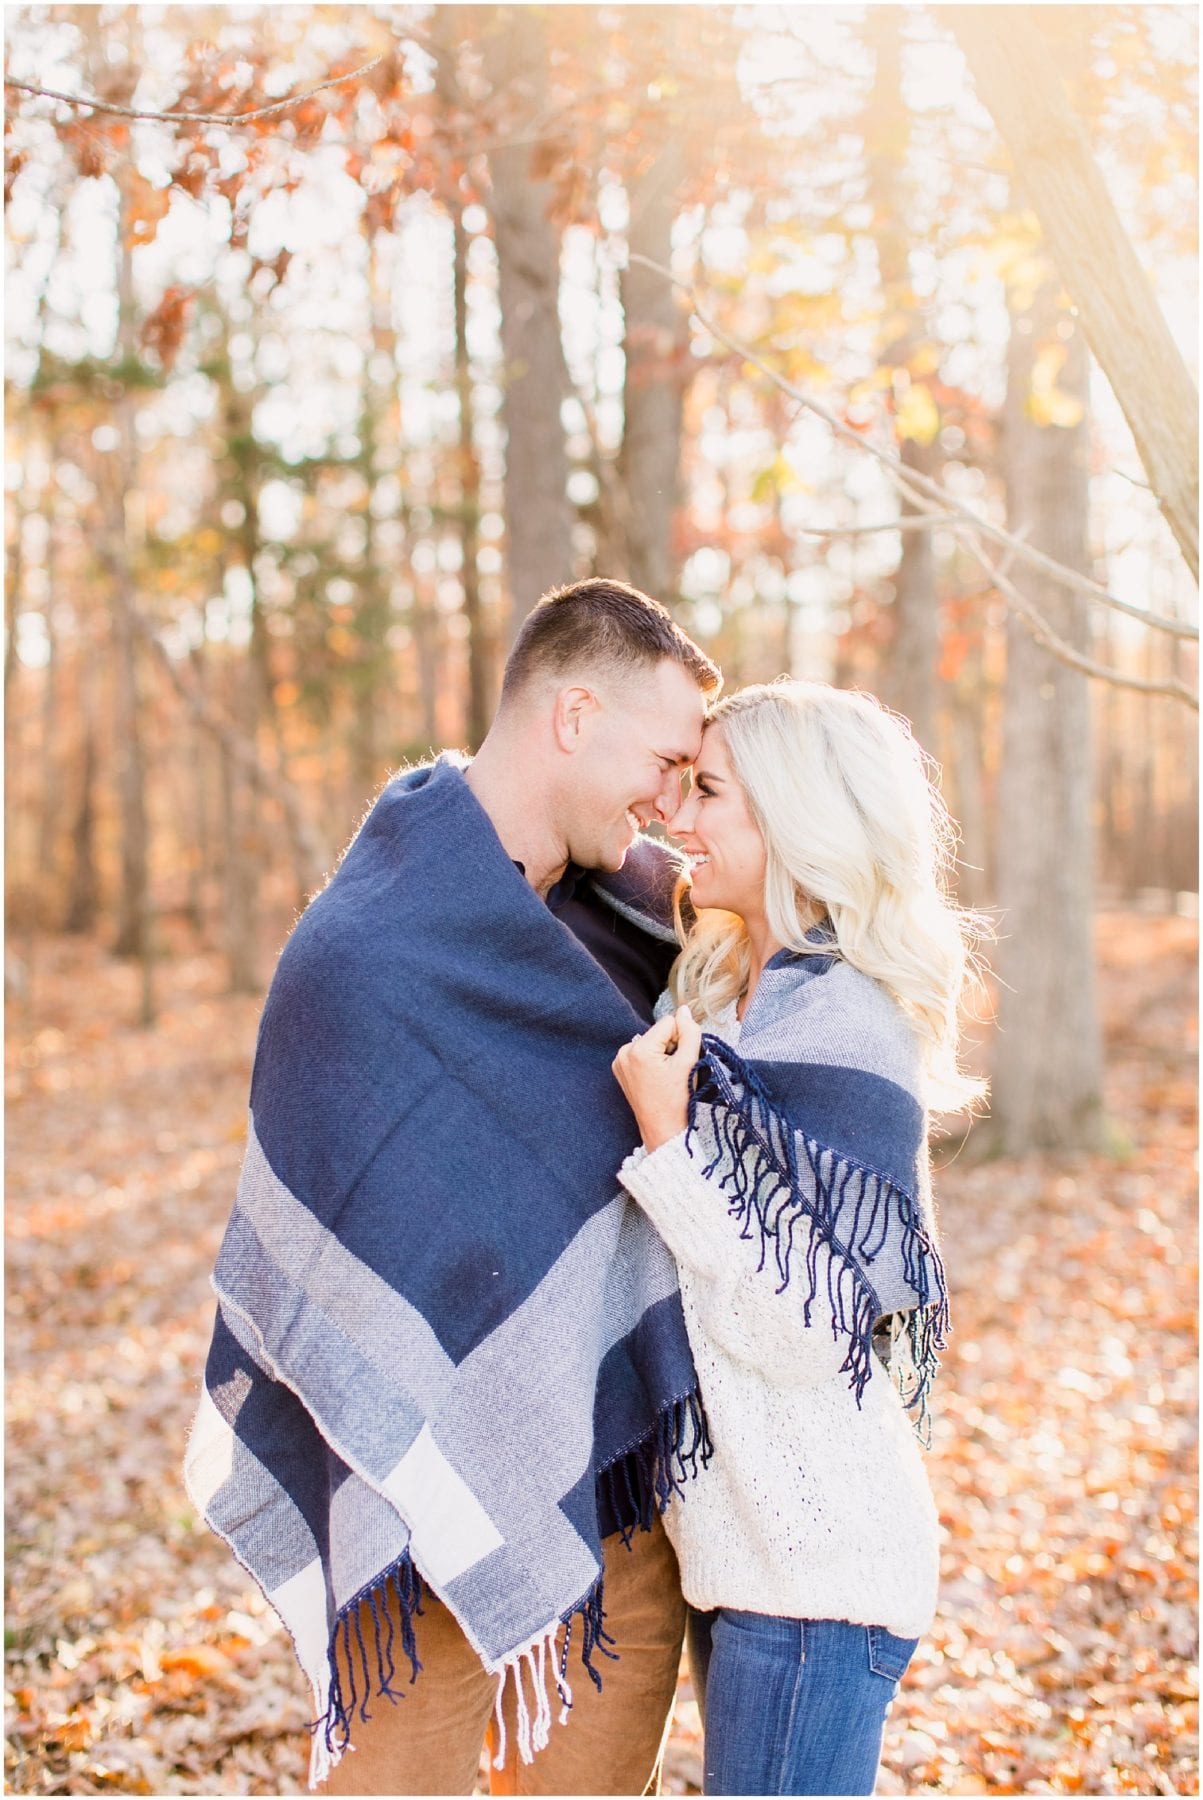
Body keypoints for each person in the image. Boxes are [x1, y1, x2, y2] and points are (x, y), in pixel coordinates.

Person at [184, 578, 722, 1796]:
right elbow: (330, 1238)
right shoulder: (360, 953)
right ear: (573, 716)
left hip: (608, 1479)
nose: (674, 802)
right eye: (667, 759)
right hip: (417, 1474)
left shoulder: (637, 926)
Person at [612, 679, 986, 1798]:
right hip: (751, 1553)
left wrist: (671, 1143)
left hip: (818, 1571)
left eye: (709, 791)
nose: (678, 818)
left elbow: (799, 1329)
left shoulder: (844, 1026)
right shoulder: (740, 998)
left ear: (793, 815)